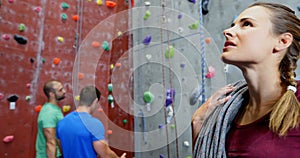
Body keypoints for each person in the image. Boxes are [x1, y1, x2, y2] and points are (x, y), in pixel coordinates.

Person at [192, 2, 300, 157]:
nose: (227, 31)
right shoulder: (229, 114)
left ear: (282, 41)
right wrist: (199, 123)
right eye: (233, 25)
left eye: (247, 24)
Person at [56, 85, 126, 158]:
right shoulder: (94, 124)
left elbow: (62, 149)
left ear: (80, 100)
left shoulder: (62, 123)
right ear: (95, 101)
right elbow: (105, 153)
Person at [36, 80, 66, 158]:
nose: (64, 91)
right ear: (51, 94)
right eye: (60, 90)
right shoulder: (49, 113)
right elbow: (50, 142)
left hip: (57, 154)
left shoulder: (54, 109)